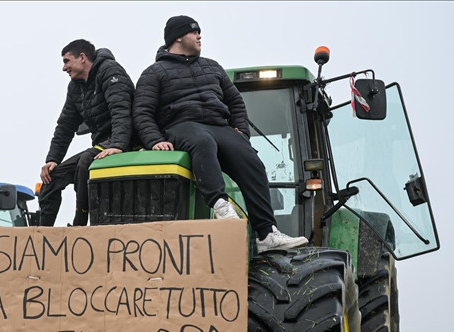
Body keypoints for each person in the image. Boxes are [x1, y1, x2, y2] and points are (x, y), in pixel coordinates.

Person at [133, 16, 308, 253]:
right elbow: (142, 112)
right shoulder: (154, 73)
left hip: (218, 125)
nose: (199, 36)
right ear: (178, 37)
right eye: (194, 32)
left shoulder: (212, 67)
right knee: (202, 141)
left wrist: (242, 133)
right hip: (180, 125)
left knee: (251, 159)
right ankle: (220, 204)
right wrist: (155, 140)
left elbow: (235, 101)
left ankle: (266, 233)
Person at [40, 39, 136, 226]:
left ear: (82, 57)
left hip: (126, 140)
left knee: (86, 161)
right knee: (51, 178)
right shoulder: (75, 88)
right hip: (101, 144)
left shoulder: (110, 71)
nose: (63, 67)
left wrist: (117, 144)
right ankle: (41, 234)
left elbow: (121, 110)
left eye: (66, 61)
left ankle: (80, 223)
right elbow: (65, 126)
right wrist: (52, 159)